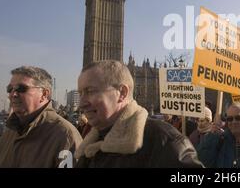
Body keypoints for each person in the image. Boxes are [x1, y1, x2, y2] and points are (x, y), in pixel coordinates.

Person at [75, 60, 203, 168]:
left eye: (90, 91)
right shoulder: (89, 144)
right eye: (80, 93)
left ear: (122, 93)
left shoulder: (163, 141)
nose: (81, 104)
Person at [0, 66, 82, 168]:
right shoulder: (9, 133)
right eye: (10, 89)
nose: (13, 94)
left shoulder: (65, 136)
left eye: (21, 88)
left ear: (44, 94)